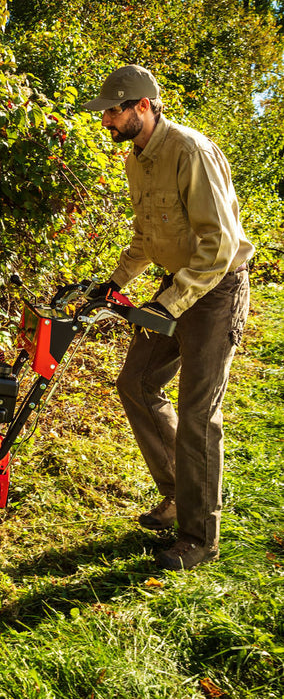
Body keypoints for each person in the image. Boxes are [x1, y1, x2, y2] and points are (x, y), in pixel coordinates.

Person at [80, 65, 255, 570]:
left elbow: (219, 245)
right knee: (135, 381)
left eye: (112, 111)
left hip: (216, 288)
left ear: (141, 105)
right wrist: (115, 282)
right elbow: (145, 236)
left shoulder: (190, 151)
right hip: (174, 285)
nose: (106, 121)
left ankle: (200, 539)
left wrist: (170, 303)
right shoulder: (137, 160)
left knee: (198, 413)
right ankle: (180, 492)